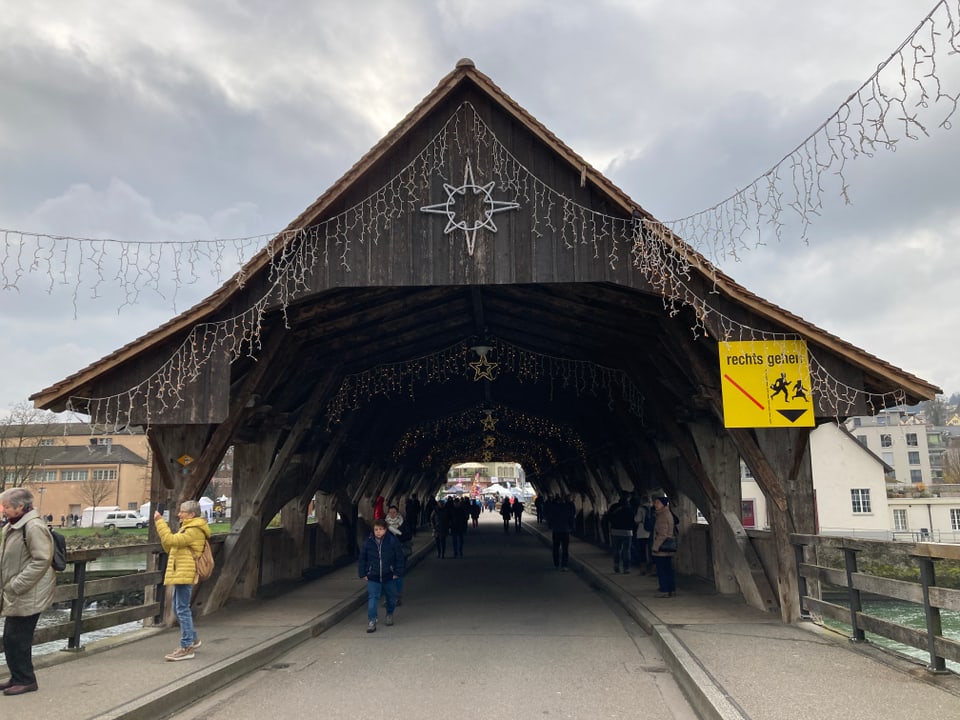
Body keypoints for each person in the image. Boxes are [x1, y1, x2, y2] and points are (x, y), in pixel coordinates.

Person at [0, 488, 56, 695]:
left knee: (18, 638)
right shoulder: (14, 526)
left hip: (28, 592)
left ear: (20, 506)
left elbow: (42, 560)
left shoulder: (32, 527)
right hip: (19, 591)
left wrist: (16, 584)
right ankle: (17, 676)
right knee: (11, 637)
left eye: (6, 506)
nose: (3, 510)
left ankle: (26, 679)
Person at [154, 500, 211, 661]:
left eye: (182, 512)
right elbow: (171, 546)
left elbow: (172, 541)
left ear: (192, 514)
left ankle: (187, 647)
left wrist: (159, 522)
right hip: (180, 572)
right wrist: (166, 535)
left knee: (182, 609)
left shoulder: (193, 530)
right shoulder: (188, 528)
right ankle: (192, 638)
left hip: (185, 573)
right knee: (178, 608)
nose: (179, 514)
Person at [358, 518, 405, 633]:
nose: (378, 532)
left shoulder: (392, 541)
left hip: (389, 575)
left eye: (380, 529)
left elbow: (399, 557)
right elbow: (362, 559)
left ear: (385, 530)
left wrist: (397, 572)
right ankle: (372, 621)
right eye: (376, 529)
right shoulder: (368, 542)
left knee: (391, 597)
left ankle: (389, 613)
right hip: (373, 575)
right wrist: (363, 573)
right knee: (373, 598)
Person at [651, 496, 677, 597]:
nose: (655, 504)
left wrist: (655, 547)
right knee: (668, 569)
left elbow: (663, 534)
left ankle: (665, 590)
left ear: (663, 504)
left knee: (662, 570)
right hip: (667, 547)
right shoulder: (667, 513)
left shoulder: (662, 516)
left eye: (657, 502)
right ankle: (671, 589)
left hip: (662, 547)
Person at [546, 494, 576, 571]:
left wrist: (550, 526)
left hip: (556, 530)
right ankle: (564, 565)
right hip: (565, 530)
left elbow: (550, 517)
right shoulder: (567, 508)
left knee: (555, 548)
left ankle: (556, 563)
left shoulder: (554, 508)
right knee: (565, 549)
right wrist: (572, 528)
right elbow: (571, 518)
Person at [607, 492, 635, 574]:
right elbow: (634, 520)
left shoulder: (614, 506)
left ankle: (616, 565)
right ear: (628, 498)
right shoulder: (630, 508)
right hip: (627, 532)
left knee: (616, 550)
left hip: (615, 531)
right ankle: (626, 568)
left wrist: (614, 524)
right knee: (626, 551)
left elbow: (609, 517)